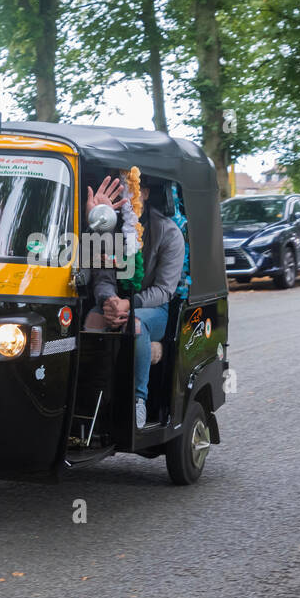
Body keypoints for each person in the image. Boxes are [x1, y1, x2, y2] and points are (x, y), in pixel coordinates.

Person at [83, 173, 185, 428]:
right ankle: (92, 400)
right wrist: (109, 301)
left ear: (145, 194)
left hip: (153, 309)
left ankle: (138, 401)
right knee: (93, 319)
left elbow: (164, 290)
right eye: (121, 190)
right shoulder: (110, 226)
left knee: (135, 324)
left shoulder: (168, 232)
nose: (125, 197)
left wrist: (130, 304)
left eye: (131, 189)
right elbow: (102, 275)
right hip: (115, 303)